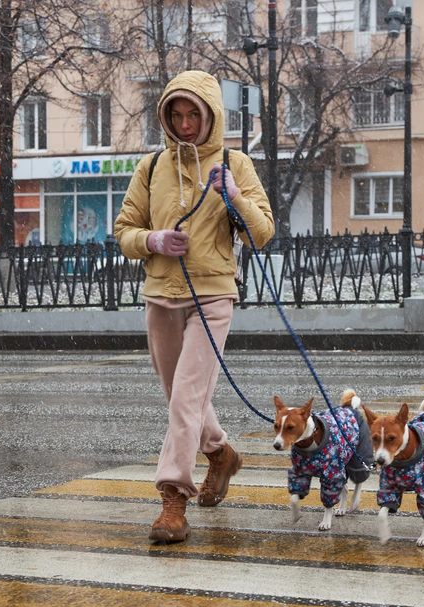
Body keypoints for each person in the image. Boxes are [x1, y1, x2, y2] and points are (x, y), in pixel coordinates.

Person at [114, 71, 274, 542]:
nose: (184, 125)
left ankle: (172, 500)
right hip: (161, 295)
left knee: (186, 398)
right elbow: (125, 231)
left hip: (212, 295)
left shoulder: (234, 163)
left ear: (210, 117)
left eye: (193, 115)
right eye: (176, 115)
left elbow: (261, 233)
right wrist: (153, 239)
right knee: (181, 400)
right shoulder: (150, 168)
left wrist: (235, 197)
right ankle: (221, 453)